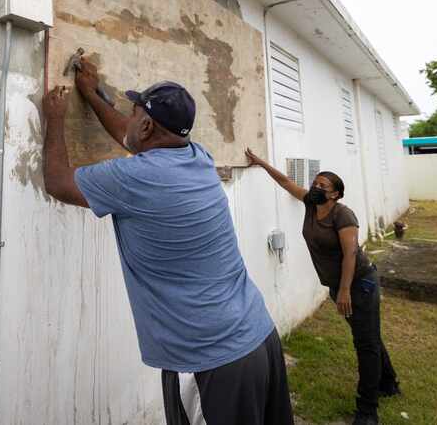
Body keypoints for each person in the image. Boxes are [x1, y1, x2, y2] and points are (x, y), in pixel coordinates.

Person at [42, 57, 294, 425]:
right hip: (258, 337)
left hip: (212, 360)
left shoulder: (134, 178)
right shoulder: (197, 157)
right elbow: (130, 139)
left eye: (134, 114)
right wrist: (91, 95)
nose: (128, 122)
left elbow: (58, 182)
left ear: (146, 125)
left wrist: (56, 118)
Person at [245, 148, 400, 425]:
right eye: (315, 183)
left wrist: (343, 290)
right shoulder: (310, 204)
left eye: (322, 186)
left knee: (365, 343)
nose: (315, 187)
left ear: (335, 194)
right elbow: (284, 182)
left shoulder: (343, 215)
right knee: (368, 336)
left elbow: (351, 253)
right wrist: (260, 163)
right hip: (338, 285)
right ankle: (388, 383)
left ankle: (367, 411)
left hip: (359, 284)